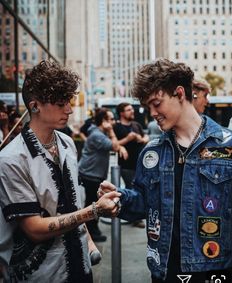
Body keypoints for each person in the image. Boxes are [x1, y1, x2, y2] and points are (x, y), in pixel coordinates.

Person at [98, 58, 232, 283]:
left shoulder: (229, 146)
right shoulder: (151, 152)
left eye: (156, 103)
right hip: (164, 271)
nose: (152, 112)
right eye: (147, 106)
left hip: (216, 270)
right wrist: (118, 199)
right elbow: (144, 202)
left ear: (180, 93)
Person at [0, 60, 121, 283]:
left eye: (69, 100)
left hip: (80, 267)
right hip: (40, 275)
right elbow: (34, 228)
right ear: (35, 106)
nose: (69, 108)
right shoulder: (11, 159)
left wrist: (90, 241)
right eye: (60, 102)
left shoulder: (66, 143)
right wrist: (94, 210)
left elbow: (70, 204)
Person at [78, 108, 127, 242]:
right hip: (90, 173)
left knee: (92, 201)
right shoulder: (97, 135)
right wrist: (111, 132)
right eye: (111, 119)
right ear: (104, 121)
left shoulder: (98, 132)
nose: (114, 122)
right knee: (93, 203)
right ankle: (91, 233)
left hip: (92, 172)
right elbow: (115, 146)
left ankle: (92, 230)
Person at [113, 102, 149, 228]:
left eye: (131, 109)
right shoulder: (116, 127)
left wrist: (141, 139)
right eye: (128, 110)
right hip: (126, 165)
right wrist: (128, 139)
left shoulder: (136, 125)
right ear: (122, 113)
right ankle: (135, 218)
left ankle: (134, 215)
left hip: (140, 164)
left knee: (139, 188)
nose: (132, 111)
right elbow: (114, 144)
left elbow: (146, 137)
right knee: (131, 188)